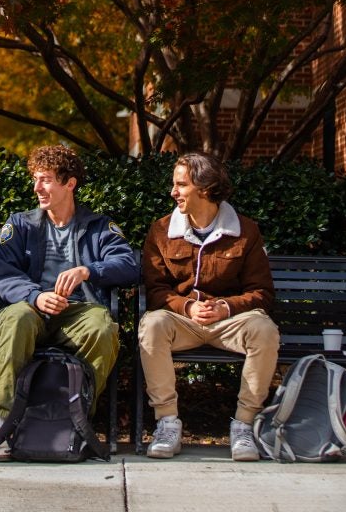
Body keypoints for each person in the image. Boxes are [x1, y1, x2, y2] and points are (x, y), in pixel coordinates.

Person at [0, 144, 139, 451]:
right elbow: (5, 272)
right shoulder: (20, 224)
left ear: (70, 183)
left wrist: (88, 271)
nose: (36, 187)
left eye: (45, 180)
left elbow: (128, 264)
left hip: (78, 312)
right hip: (32, 309)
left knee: (103, 327)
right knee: (15, 319)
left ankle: (78, 418)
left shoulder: (97, 227)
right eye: (35, 179)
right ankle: (2, 422)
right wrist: (35, 296)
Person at [138, 152, 280, 462]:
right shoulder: (161, 230)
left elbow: (261, 292)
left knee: (265, 330)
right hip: (182, 320)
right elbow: (156, 290)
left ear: (205, 188)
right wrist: (187, 307)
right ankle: (166, 423)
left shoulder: (246, 230)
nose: (173, 192)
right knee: (151, 324)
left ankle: (244, 426)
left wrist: (226, 307)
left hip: (229, 323)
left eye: (181, 185)